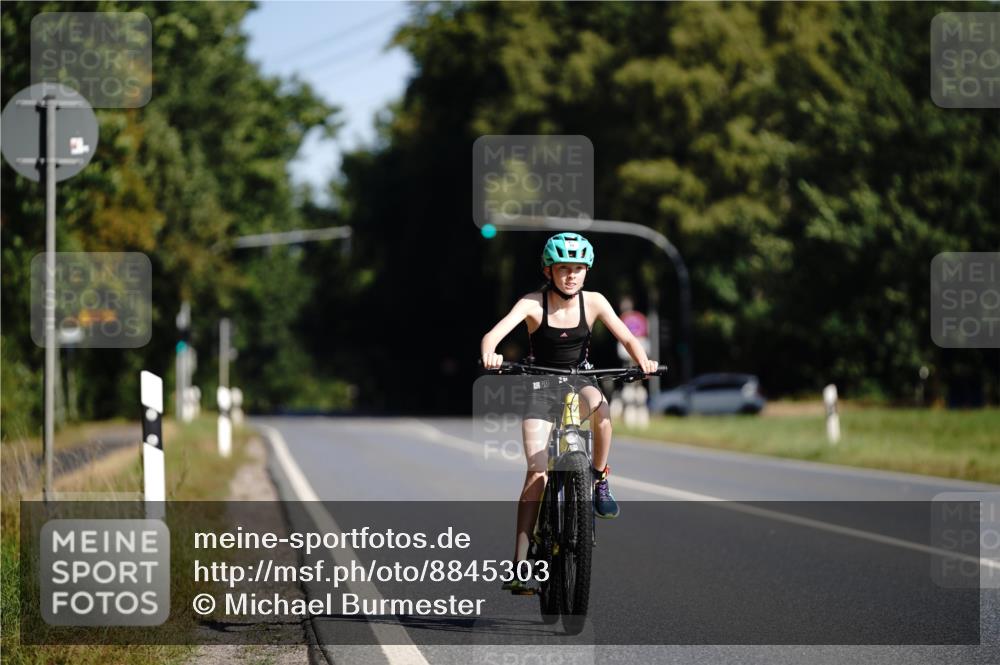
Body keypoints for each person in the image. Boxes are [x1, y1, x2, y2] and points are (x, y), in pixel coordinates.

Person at [480, 233, 658, 591]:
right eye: (564, 269)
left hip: (580, 381)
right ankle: (520, 563)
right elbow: (491, 336)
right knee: (536, 472)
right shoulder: (533, 303)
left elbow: (626, 337)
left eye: (578, 268)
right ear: (549, 271)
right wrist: (491, 354)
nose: (571, 276)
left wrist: (644, 361)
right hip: (541, 387)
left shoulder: (594, 302)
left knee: (602, 410)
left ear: (586, 271)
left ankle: (598, 478)